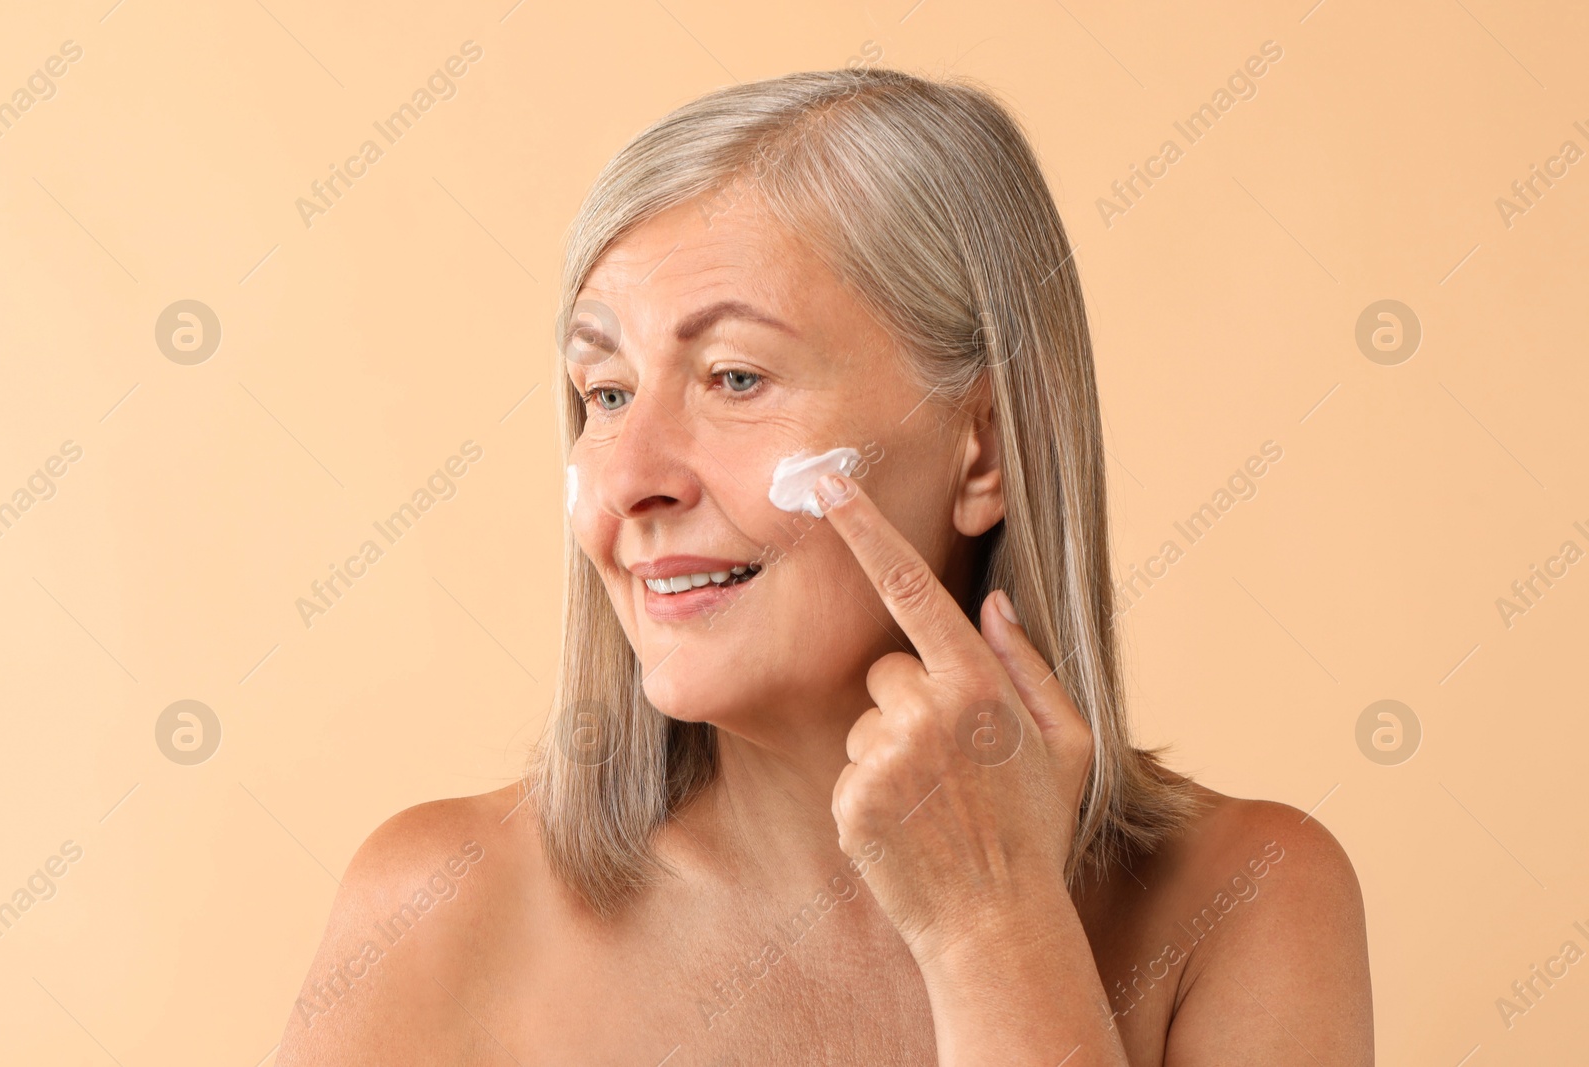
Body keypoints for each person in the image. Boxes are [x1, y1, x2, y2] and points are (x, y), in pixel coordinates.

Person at [278, 68, 1371, 1066]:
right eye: (605, 392)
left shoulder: (1246, 895)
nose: (627, 481)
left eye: (736, 377)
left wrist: (995, 927)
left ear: (981, 446)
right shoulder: (435, 905)